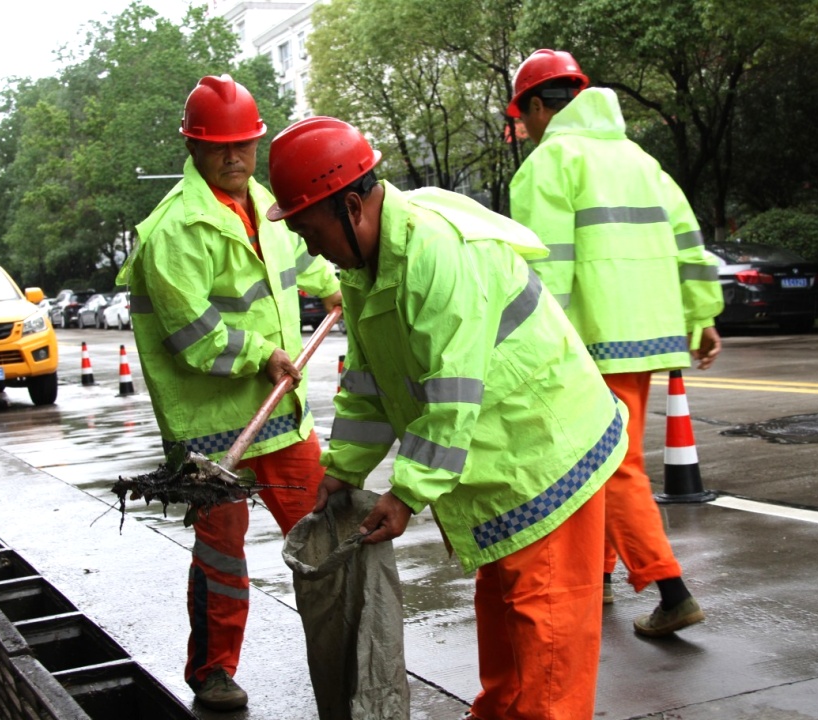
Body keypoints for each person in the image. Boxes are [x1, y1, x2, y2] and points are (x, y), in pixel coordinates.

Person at [266, 115, 629, 719]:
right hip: (500, 459)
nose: (309, 247)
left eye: (308, 229)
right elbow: (369, 382)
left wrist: (406, 494)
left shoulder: (435, 252)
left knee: (546, 643)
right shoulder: (365, 266)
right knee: (506, 621)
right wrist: (343, 470)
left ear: (352, 207)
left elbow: (451, 392)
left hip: (543, 455)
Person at [115, 75, 342, 711]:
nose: (234, 156)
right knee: (221, 555)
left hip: (280, 419)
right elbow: (193, 333)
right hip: (214, 430)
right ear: (192, 148)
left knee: (322, 535)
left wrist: (332, 282)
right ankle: (212, 671)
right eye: (220, 146)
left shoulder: (265, 204)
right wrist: (260, 354)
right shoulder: (174, 231)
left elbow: (297, 262)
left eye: (244, 142)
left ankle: (345, 645)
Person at [507, 49, 725, 637]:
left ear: (535, 107)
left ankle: (671, 589)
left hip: (594, 341)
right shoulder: (640, 160)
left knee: (611, 465)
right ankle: (601, 577)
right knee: (608, 459)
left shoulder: (549, 163)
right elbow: (689, 241)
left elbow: (543, 268)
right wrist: (702, 316)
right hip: (650, 336)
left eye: (523, 118)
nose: (524, 131)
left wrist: (533, 346)